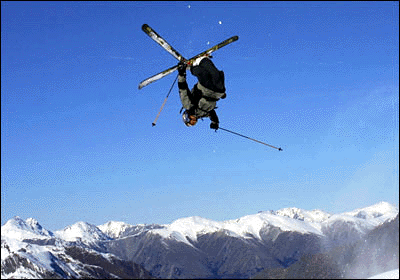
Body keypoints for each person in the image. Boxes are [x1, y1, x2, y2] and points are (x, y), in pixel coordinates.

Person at [177, 56, 227, 130]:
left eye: (191, 120)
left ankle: (193, 66)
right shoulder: (203, 114)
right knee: (216, 75)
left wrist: (181, 74)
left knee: (203, 74)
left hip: (205, 88)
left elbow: (183, 89)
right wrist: (215, 122)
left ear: (187, 117)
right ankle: (203, 60)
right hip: (217, 92)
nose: (194, 120)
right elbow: (212, 113)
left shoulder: (188, 106)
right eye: (194, 122)